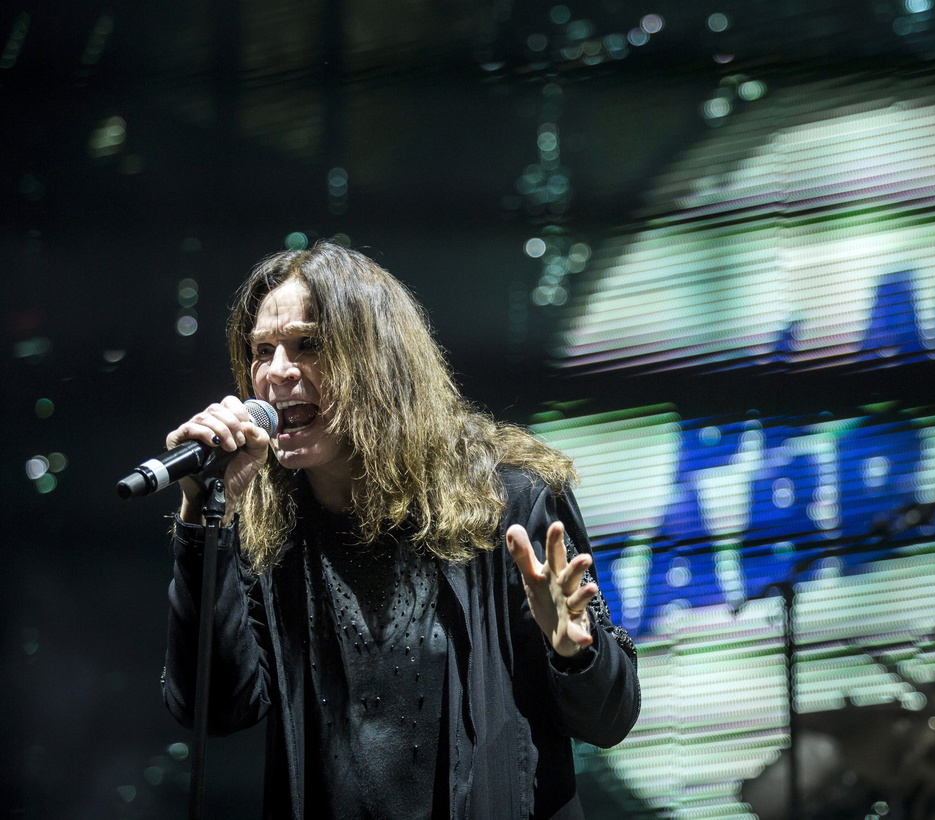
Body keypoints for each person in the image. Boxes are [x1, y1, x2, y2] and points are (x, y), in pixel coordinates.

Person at [161, 241, 640, 819]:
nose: (278, 371)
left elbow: (610, 721)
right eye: (263, 350)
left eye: (309, 344)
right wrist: (201, 516)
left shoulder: (507, 498)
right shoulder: (267, 526)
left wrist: (574, 653)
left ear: (377, 358)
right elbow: (214, 708)